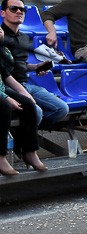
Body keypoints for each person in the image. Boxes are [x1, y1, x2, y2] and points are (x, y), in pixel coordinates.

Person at [2, 0, 70, 131]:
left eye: (22, 9)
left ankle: (27, 135)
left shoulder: (24, 38)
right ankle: (25, 143)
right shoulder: (1, 36)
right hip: (6, 86)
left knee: (62, 109)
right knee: (36, 112)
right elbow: (4, 69)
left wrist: (36, 67)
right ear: (3, 13)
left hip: (25, 84)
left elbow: (20, 64)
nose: (19, 12)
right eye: (13, 8)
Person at [0, 42, 46, 175]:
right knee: (4, 107)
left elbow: (7, 71)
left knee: (28, 105)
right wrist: (5, 97)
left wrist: (2, 45)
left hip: (2, 89)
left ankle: (29, 152)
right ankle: (0, 157)